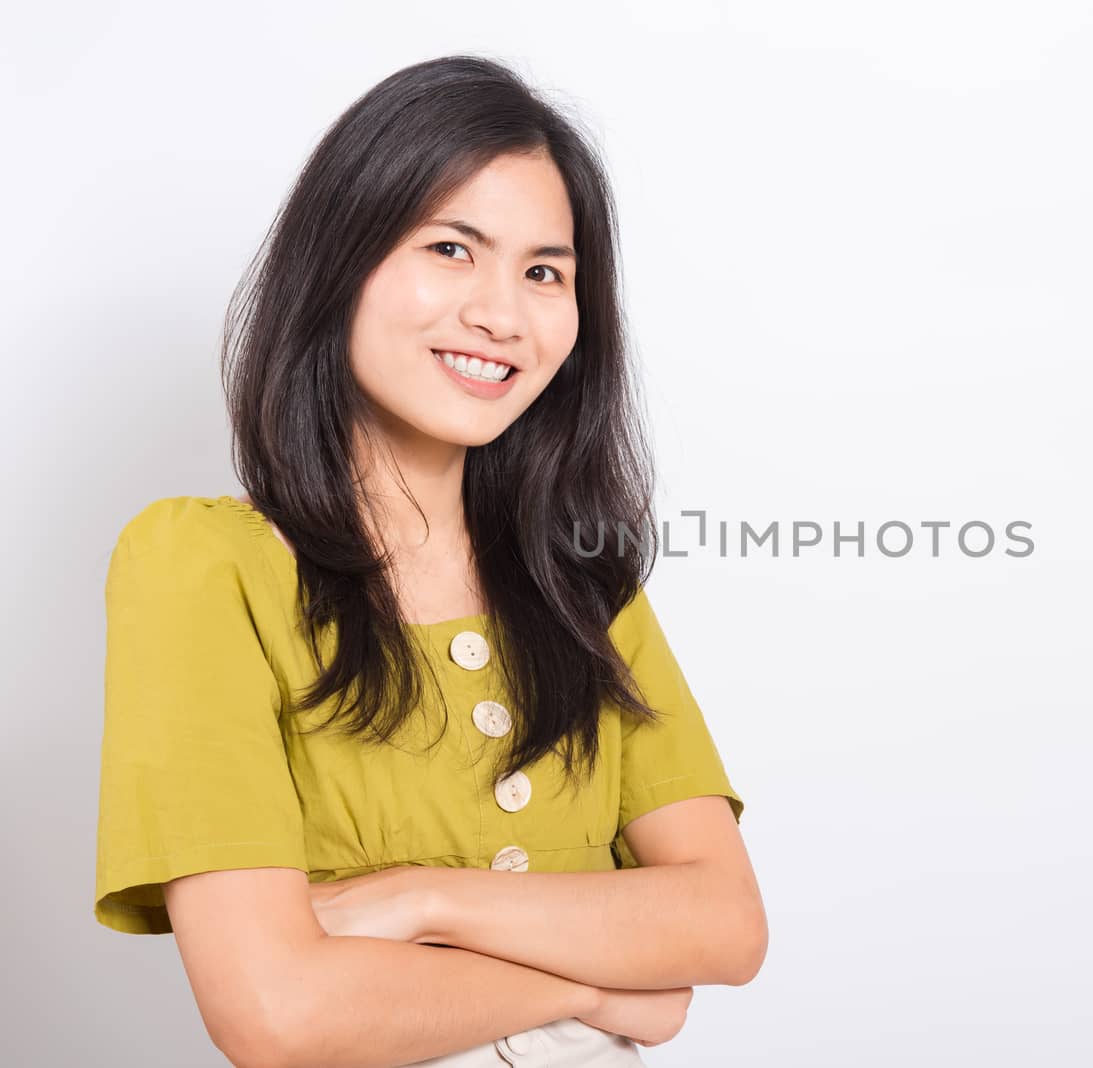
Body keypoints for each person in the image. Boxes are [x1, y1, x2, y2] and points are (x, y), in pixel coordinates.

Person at [93, 54, 766, 1067]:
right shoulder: (199, 565)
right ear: (341, 259)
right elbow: (276, 1014)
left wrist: (421, 899)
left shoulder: (576, 580)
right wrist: (603, 984)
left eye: (545, 271)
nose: (502, 313)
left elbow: (726, 924)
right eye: (452, 249)